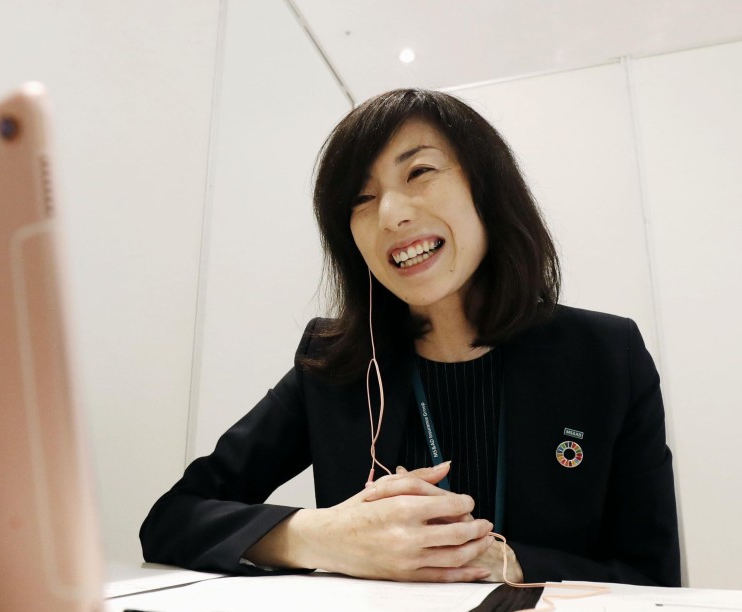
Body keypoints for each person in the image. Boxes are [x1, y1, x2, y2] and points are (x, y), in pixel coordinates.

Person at [140, 89, 681, 587]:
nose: (392, 214)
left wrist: (508, 563)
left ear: (485, 191)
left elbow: (652, 577)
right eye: (361, 198)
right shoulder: (333, 362)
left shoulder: (607, 355)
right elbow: (172, 519)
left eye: (419, 171)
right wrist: (325, 538)